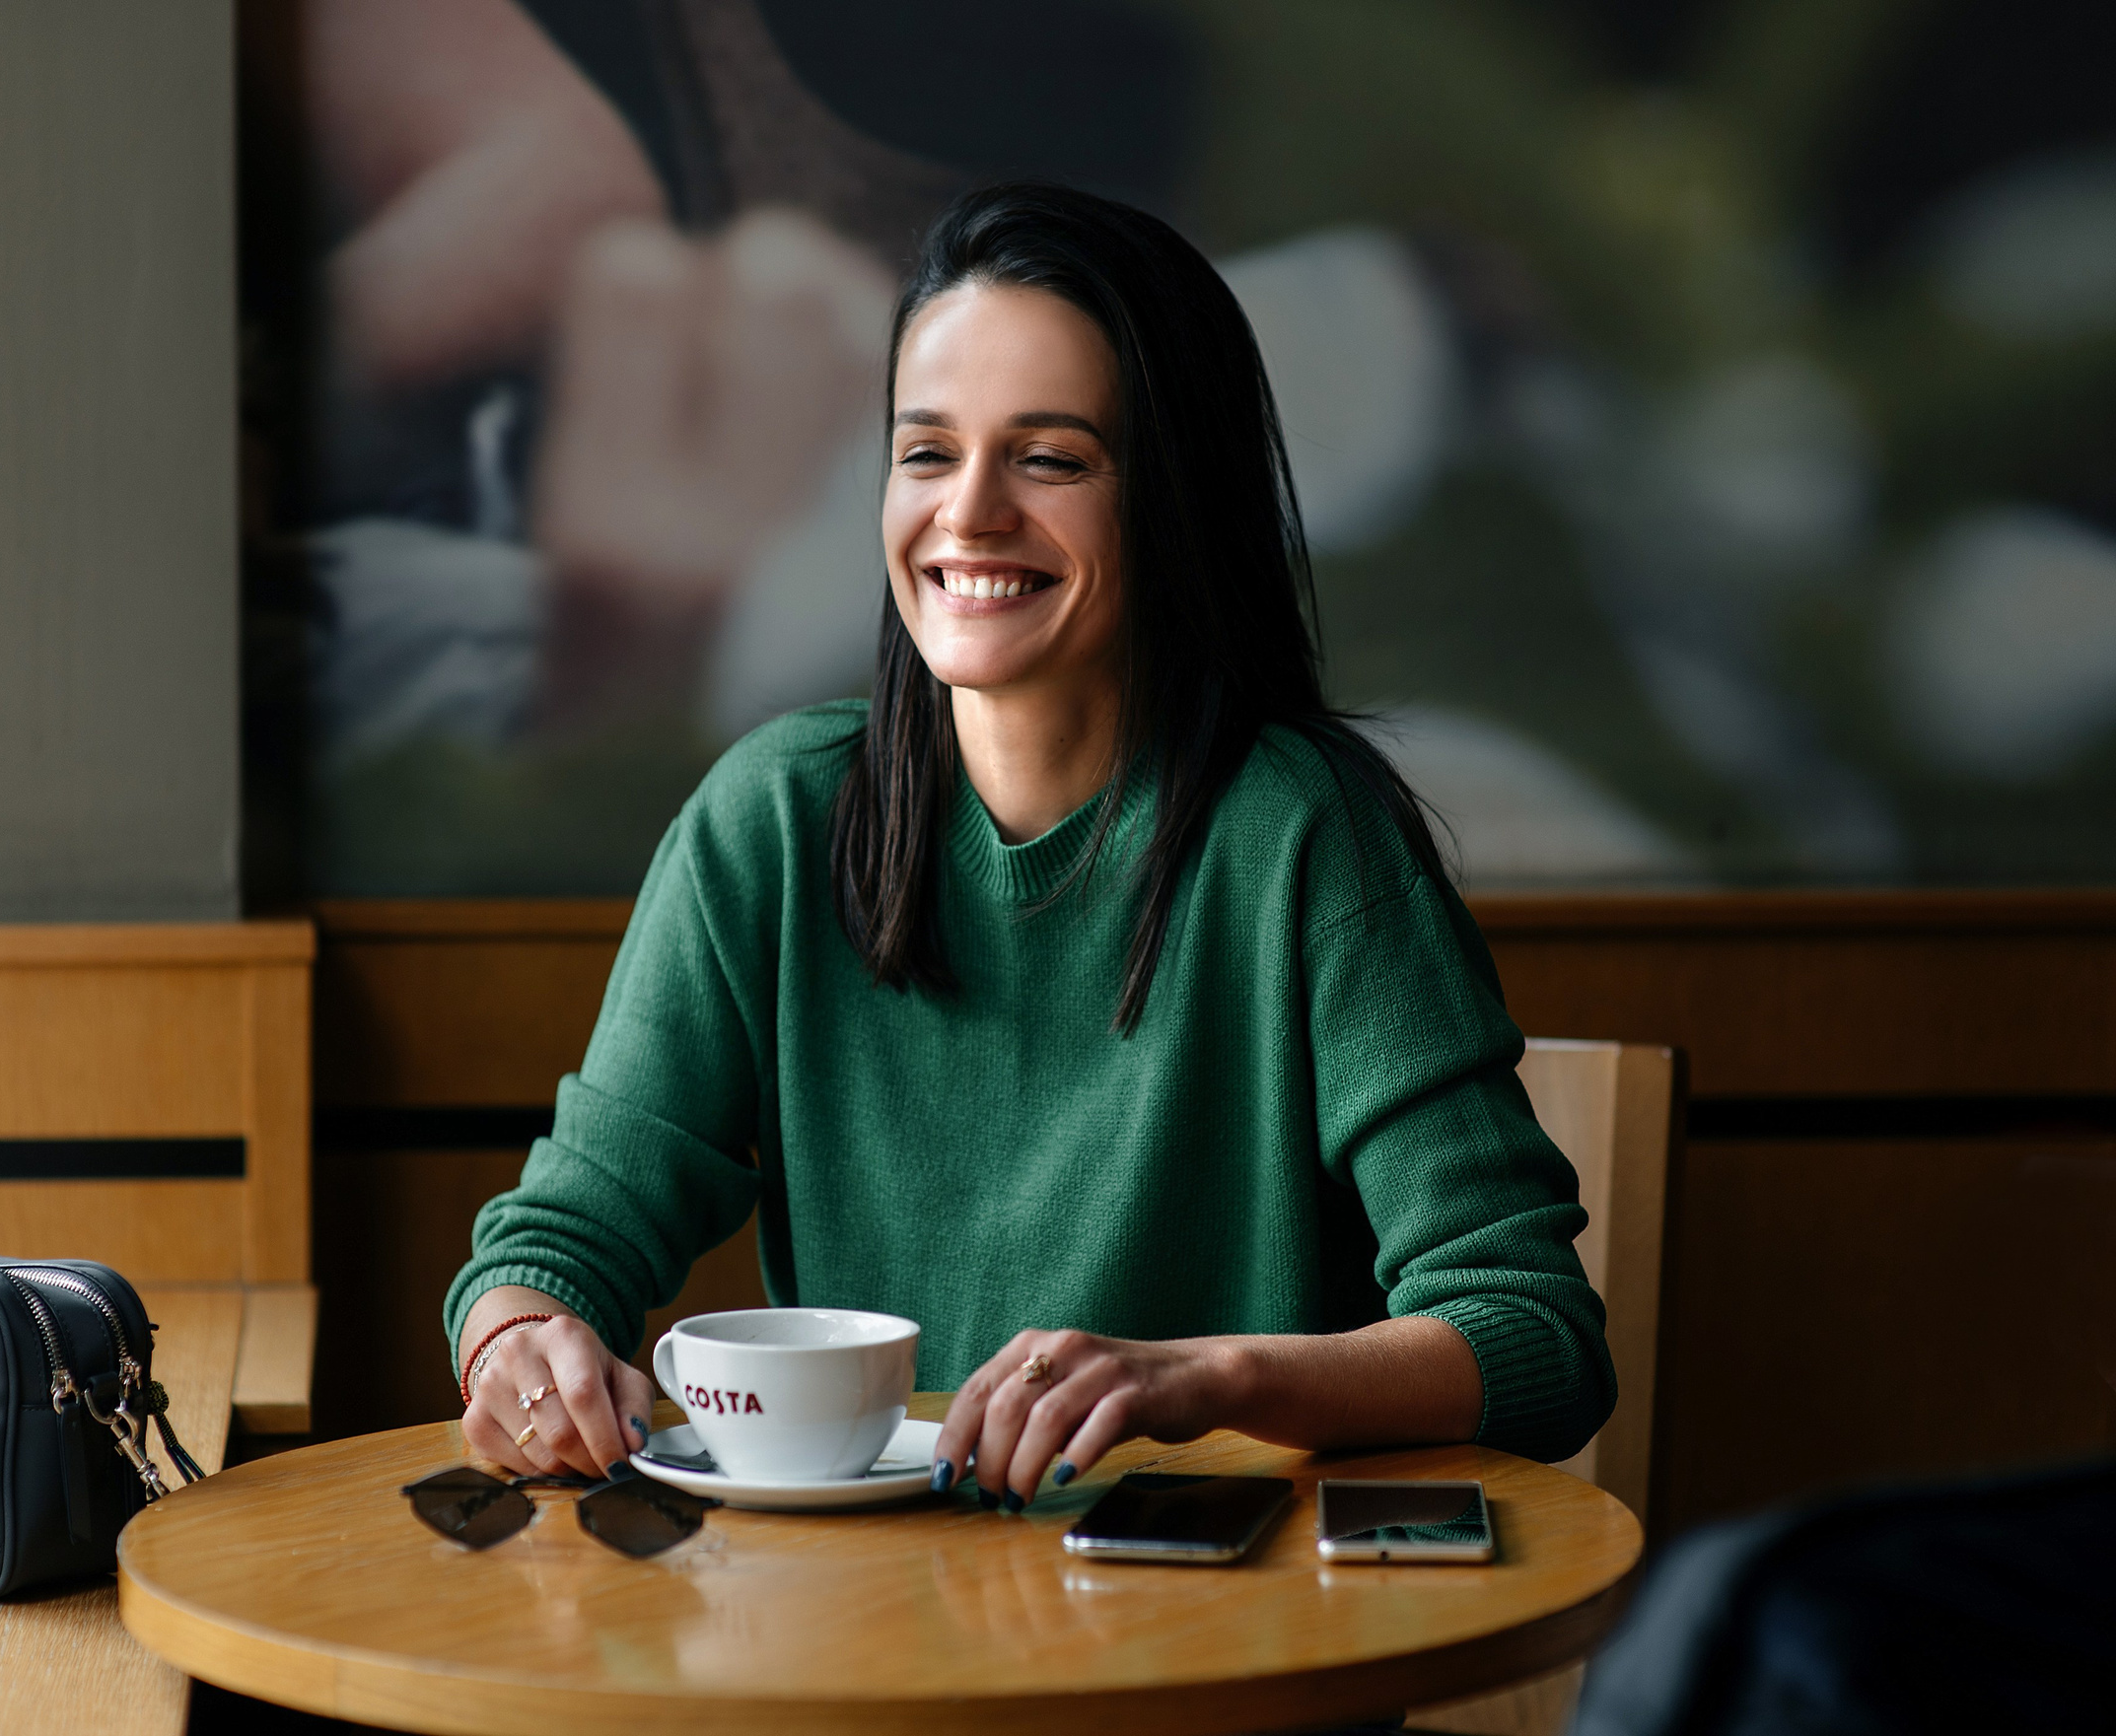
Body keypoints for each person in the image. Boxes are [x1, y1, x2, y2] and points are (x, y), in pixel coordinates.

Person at [443, 181, 1615, 1508]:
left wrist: (1203, 1379)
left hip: (1213, 1651)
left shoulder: (1306, 841)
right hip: (856, 1652)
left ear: (1173, 499)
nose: (973, 512)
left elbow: (1534, 1336)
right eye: (928, 451)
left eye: (1051, 457)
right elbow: (562, 1236)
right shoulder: (767, 820)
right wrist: (520, 1337)